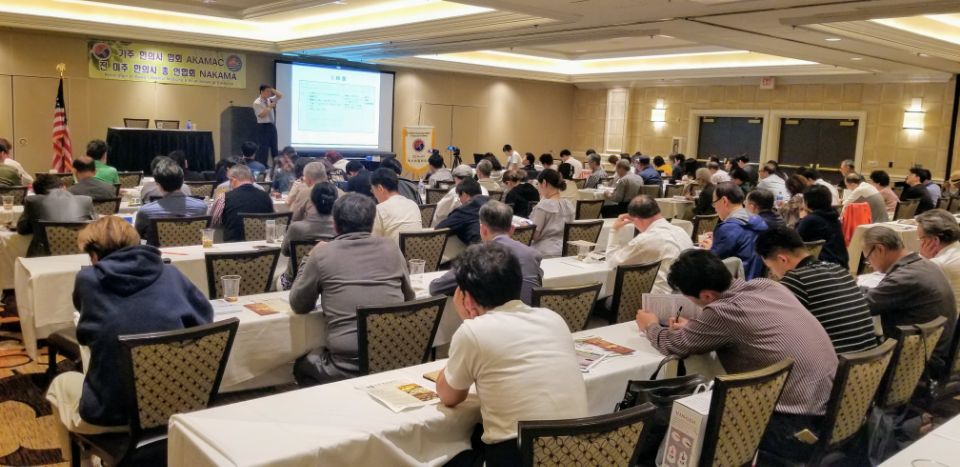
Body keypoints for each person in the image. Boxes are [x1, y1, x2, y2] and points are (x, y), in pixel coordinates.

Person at [634, 249, 837, 462]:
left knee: (687, 422)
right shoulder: (766, 285)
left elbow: (674, 345)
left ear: (707, 296)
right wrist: (697, 327)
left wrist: (651, 326)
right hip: (829, 406)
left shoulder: (723, 311)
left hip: (791, 424)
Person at [46, 217, 212, 463]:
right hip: (178, 402)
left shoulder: (88, 280)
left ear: (94, 255)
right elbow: (205, 319)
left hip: (111, 413)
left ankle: (81, 459)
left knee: (60, 384)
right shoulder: (171, 273)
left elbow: (85, 336)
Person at [437, 243, 587, 466]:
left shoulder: (473, 332)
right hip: (577, 454)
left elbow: (449, 397)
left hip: (520, 457)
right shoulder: (552, 318)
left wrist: (469, 322)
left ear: (466, 299)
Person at [289, 193, 415, 386]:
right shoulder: (392, 248)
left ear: (335, 224)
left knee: (302, 365)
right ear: (371, 223)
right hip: (393, 355)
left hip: (346, 364)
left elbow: (299, 305)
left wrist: (308, 257)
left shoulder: (322, 254)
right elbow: (409, 298)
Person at [756, 226, 878, 353]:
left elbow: (768, 325)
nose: (773, 273)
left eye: (770, 267)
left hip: (838, 361)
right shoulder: (838, 269)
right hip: (870, 359)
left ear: (783, 259)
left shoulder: (796, 280)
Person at [862, 226, 956, 380]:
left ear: (879, 249)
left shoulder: (904, 277)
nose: (870, 264)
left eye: (868, 258)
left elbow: (863, 306)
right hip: (936, 354)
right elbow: (879, 294)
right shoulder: (924, 264)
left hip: (919, 366)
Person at [430, 201, 543, 304]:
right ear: (512, 229)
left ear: (483, 230)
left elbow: (436, 288)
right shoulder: (533, 254)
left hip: (498, 318)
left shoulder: (477, 255)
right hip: (531, 316)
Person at [605, 195, 693, 296]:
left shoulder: (645, 239)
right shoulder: (681, 231)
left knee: (607, 298)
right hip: (688, 295)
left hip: (660, 299)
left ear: (635, 219)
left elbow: (612, 262)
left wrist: (614, 231)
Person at [697, 182, 767, 279]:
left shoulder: (728, 228)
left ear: (724, 201)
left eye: (714, 203)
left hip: (735, 282)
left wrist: (709, 249)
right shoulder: (759, 221)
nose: (715, 209)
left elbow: (711, 263)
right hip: (758, 280)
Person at [17, 174, 96, 257]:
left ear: (36, 193)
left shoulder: (32, 201)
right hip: (82, 255)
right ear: (63, 187)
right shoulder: (86, 200)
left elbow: (22, 229)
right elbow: (96, 227)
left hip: (42, 257)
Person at [134, 158, 209, 244]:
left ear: (158, 185)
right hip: (193, 251)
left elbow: (136, 236)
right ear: (182, 181)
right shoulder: (201, 207)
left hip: (158, 252)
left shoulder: (145, 212)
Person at [280, 183, 338, 290]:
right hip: (329, 281)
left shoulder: (296, 228)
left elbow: (285, 252)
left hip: (296, 282)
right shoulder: (340, 229)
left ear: (312, 201)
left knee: (277, 278)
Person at [210, 165, 274, 242]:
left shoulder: (224, 197)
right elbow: (272, 219)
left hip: (233, 245)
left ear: (233, 180)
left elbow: (213, 221)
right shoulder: (265, 196)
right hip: (262, 245)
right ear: (251, 179)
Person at [916, 209, 960, 316]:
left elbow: (912, 284)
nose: (920, 243)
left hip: (951, 320)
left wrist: (922, 258)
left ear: (935, 240)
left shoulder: (939, 264)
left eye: (921, 238)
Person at [796, 185, 848, 268]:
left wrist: (801, 218)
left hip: (824, 268)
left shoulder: (810, 220)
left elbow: (795, 239)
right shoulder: (834, 217)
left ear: (807, 202)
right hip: (841, 266)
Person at [530, 169, 575, 257]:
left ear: (544, 183)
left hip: (544, 250)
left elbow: (535, 235)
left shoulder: (543, 206)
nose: (538, 188)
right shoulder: (568, 204)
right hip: (565, 249)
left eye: (538, 184)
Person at [370, 168, 422, 241]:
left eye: (373, 190)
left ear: (380, 188)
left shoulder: (379, 209)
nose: (374, 195)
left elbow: (373, 241)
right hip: (416, 248)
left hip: (391, 248)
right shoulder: (413, 205)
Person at [437, 178, 489, 245]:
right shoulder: (492, 203)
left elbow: (439, 230)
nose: (460, 199)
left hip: (481, 249)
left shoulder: (465, 210)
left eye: (459, 196)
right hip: (500, 245)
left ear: (464, 194)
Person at [253, 84, 283, 166]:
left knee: (274, 147)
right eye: (267, 91)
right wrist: (270, 107)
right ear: (262, 92)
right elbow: (261, 115)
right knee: (264, 149)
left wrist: (271, 89)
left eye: (270, 92)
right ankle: (263, 166)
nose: (269, 93)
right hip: (263, 127)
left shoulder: (269, 99)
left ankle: (276, 166)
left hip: (271, 125)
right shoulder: (257, 102)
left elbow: (280, 95)